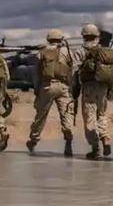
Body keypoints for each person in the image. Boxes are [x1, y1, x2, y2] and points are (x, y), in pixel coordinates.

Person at [26, 29, 75, 157]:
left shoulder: (41, 52)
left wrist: (37, 89)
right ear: (60, 39)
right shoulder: (67, 51)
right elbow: (72, 69)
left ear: (48, 39)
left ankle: (33, 140)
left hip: (47, 86)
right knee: (66, 114)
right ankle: (68, 139)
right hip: (63, 87)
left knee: (41, 115)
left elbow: (36, 73)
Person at [72, 23, 113, 160]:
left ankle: (95, 148)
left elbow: (74, 71)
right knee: (101, 114)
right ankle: (105, 138)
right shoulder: (104, 50)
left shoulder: (80, 51)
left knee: (89, 116)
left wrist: (74, 88)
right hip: (103, 87)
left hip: (89, 87)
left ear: (84, 36)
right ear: (97, 36)